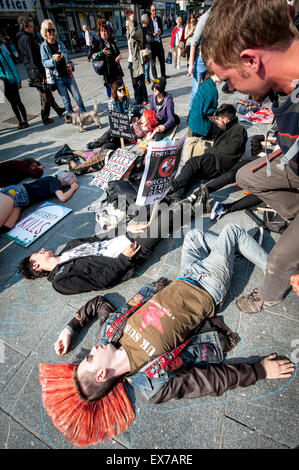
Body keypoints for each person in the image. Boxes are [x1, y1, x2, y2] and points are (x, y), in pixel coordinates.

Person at [39, 224, 295, 447]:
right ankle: (283, 276)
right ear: (101, 374)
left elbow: (98, 304)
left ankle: (236, 251)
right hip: (208, 288)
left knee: (194, 236)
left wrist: (71, 327)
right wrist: (262, 370)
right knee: (232, 232)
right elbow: (209, 380)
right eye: (90, 359)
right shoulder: (153, 383)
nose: (91, 350)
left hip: (185, 276)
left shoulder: (109, 336)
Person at [201, 0, 299, 313]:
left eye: (228, 79)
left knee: (277, 260)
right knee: (245, 175)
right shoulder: (283, 67)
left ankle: (269, 295)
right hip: (293, 167)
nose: (232, 89)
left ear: (251, 60)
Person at [167, 104, 247, 201]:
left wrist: (209, 150)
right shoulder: (226, 129)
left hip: (219, 162)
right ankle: (177, 194)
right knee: (190, 170)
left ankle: (172, 187)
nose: (217, 122)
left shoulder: (239, 130)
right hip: (215, 158)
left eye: (219, 119)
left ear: (226, 119)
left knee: (193, 163)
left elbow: (232, 150)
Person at [17, 16, 65, 125]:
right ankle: (45, 117)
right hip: (36, 71)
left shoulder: (21, 39)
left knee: (47, 92)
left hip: (31, 70)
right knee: (44, 95)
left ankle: (58, 110)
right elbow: (33, 57)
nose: (33, 28)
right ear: (25, 27)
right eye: (31, 26)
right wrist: (41, 74)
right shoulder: (27, 38)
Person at [0, 171, 78, 232]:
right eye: (70, 183)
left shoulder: (53, 182)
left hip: (21, 201)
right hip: (16, 193)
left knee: (7, 226)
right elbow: (62, 198)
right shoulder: (54, 180)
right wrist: (73, 188)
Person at [40, 19, 86, 116]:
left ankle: (84, 116)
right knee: (66, 100)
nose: (52, 32)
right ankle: (72, 118)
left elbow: (68, 58)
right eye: (49, 30)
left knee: (77, 97)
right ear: (45, 32)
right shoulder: (43, 46)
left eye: (53, 30)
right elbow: (44, 63)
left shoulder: (60, 43)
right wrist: (53, 60)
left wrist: (71, 65)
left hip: (68, 75)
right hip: (58, 77)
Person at [183, 71, 221, 163]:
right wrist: (219, 123)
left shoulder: (207, 83)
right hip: (200, 124)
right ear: (215, 73)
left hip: (194, 121)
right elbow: (207, 113)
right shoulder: (212, 90)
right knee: (221, 132)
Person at [187, 4, 213, 109]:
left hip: (212, 59)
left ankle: (205, 112)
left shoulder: (219, 17)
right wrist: (191, 63)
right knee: (196, 88)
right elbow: (194, 41)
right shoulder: (205, 18)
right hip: (201, 59)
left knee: (209, 88)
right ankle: (192, 114)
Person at [0, 44, 29, 130]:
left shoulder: (1, 50)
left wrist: (18, 80)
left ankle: (25, 120)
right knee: (12, 103)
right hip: (1, 83)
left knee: (18, 101)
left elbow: (12, 65)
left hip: (10, 80)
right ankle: (20, 121)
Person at [92, 23, 123, 99]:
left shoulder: (111, 41)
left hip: (116, 69)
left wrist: (118, 56)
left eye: (105, 31)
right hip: (107, 72)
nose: (104, 33)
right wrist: (102, 52)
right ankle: (113, 106)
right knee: (112, 92)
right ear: (99, 33)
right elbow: (92, 56)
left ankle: (123, 104)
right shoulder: (98, 43)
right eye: (102, 31)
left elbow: (118, 52)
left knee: (121, 88)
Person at [126, 15, 148, 106]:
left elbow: (133, 34)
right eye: (126, 26)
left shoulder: (138, 31)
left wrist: (131, 21)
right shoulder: (128, 33)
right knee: (134, 82)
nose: (126, 27)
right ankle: (137, 99)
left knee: (141, 81)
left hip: (138, 61)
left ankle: (144, 98)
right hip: (131, 61)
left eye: (128, 25)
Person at [148, 3, 167, 79]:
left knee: (162, 59)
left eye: (155, 10)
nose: (154, 12)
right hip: (152, 43)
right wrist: (153, 34)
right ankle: (155, 76)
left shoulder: (158, 19)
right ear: (150, 11)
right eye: (153, 10)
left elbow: (162, 29)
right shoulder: (148, 20)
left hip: (158, 42)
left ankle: (163, 75)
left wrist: (160, 32)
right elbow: (146, 31)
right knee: (153, 62)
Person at [141, 13, 152, 84]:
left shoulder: (147, 27)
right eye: (148, 18)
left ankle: (148, 77)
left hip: (148, 48)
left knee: (148, 64)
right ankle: (145, 78)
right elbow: (144, 39)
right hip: (145, 49)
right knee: (146, 65)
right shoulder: (143, 29)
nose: (149, 19)